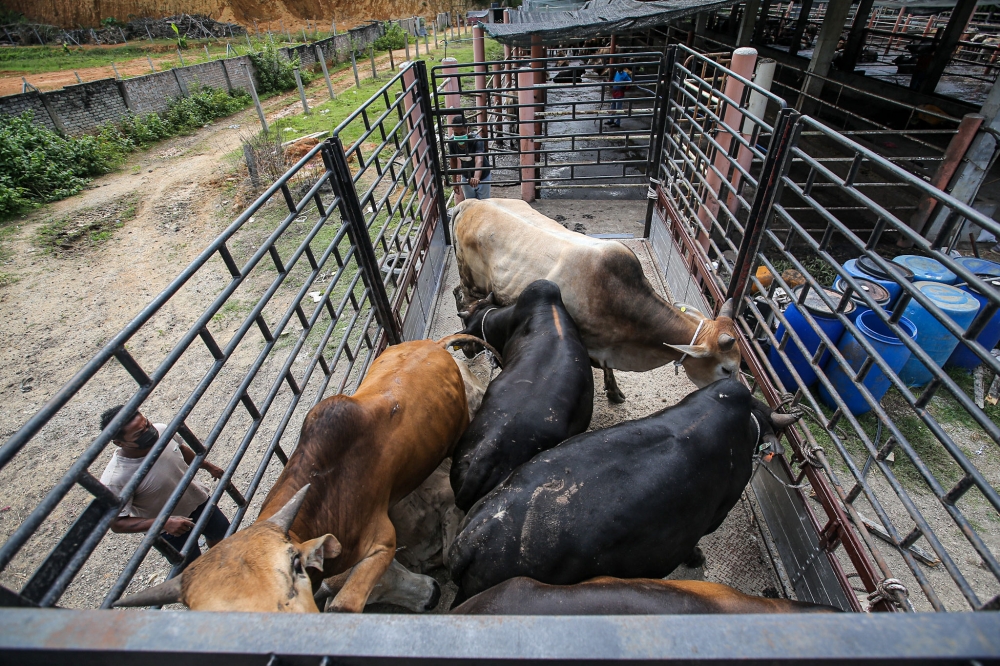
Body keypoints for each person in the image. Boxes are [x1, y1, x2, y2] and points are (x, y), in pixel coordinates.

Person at [99, 406, 230, 567]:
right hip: (168, 530)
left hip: (198, 501)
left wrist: (208, 466)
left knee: (222, 535)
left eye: (147, 424)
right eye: (139, 434)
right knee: (191, 564)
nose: (149, 432)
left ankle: (222, 565)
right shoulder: (116, 479)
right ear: (119, 442)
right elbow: (117, 524)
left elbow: (181, 450)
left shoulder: (162, 431)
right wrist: (163, 523)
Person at [447, 114, 492, 200]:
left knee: (484, 202)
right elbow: (453, 160)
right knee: (470, 202)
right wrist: (455, 182)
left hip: (483, 176)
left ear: (468, 129)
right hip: (466, 176)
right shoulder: (452, 142)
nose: (459, 136)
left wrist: (476, 177)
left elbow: (479, 159)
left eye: (462, 133)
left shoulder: (476, 140)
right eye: (456, 133)